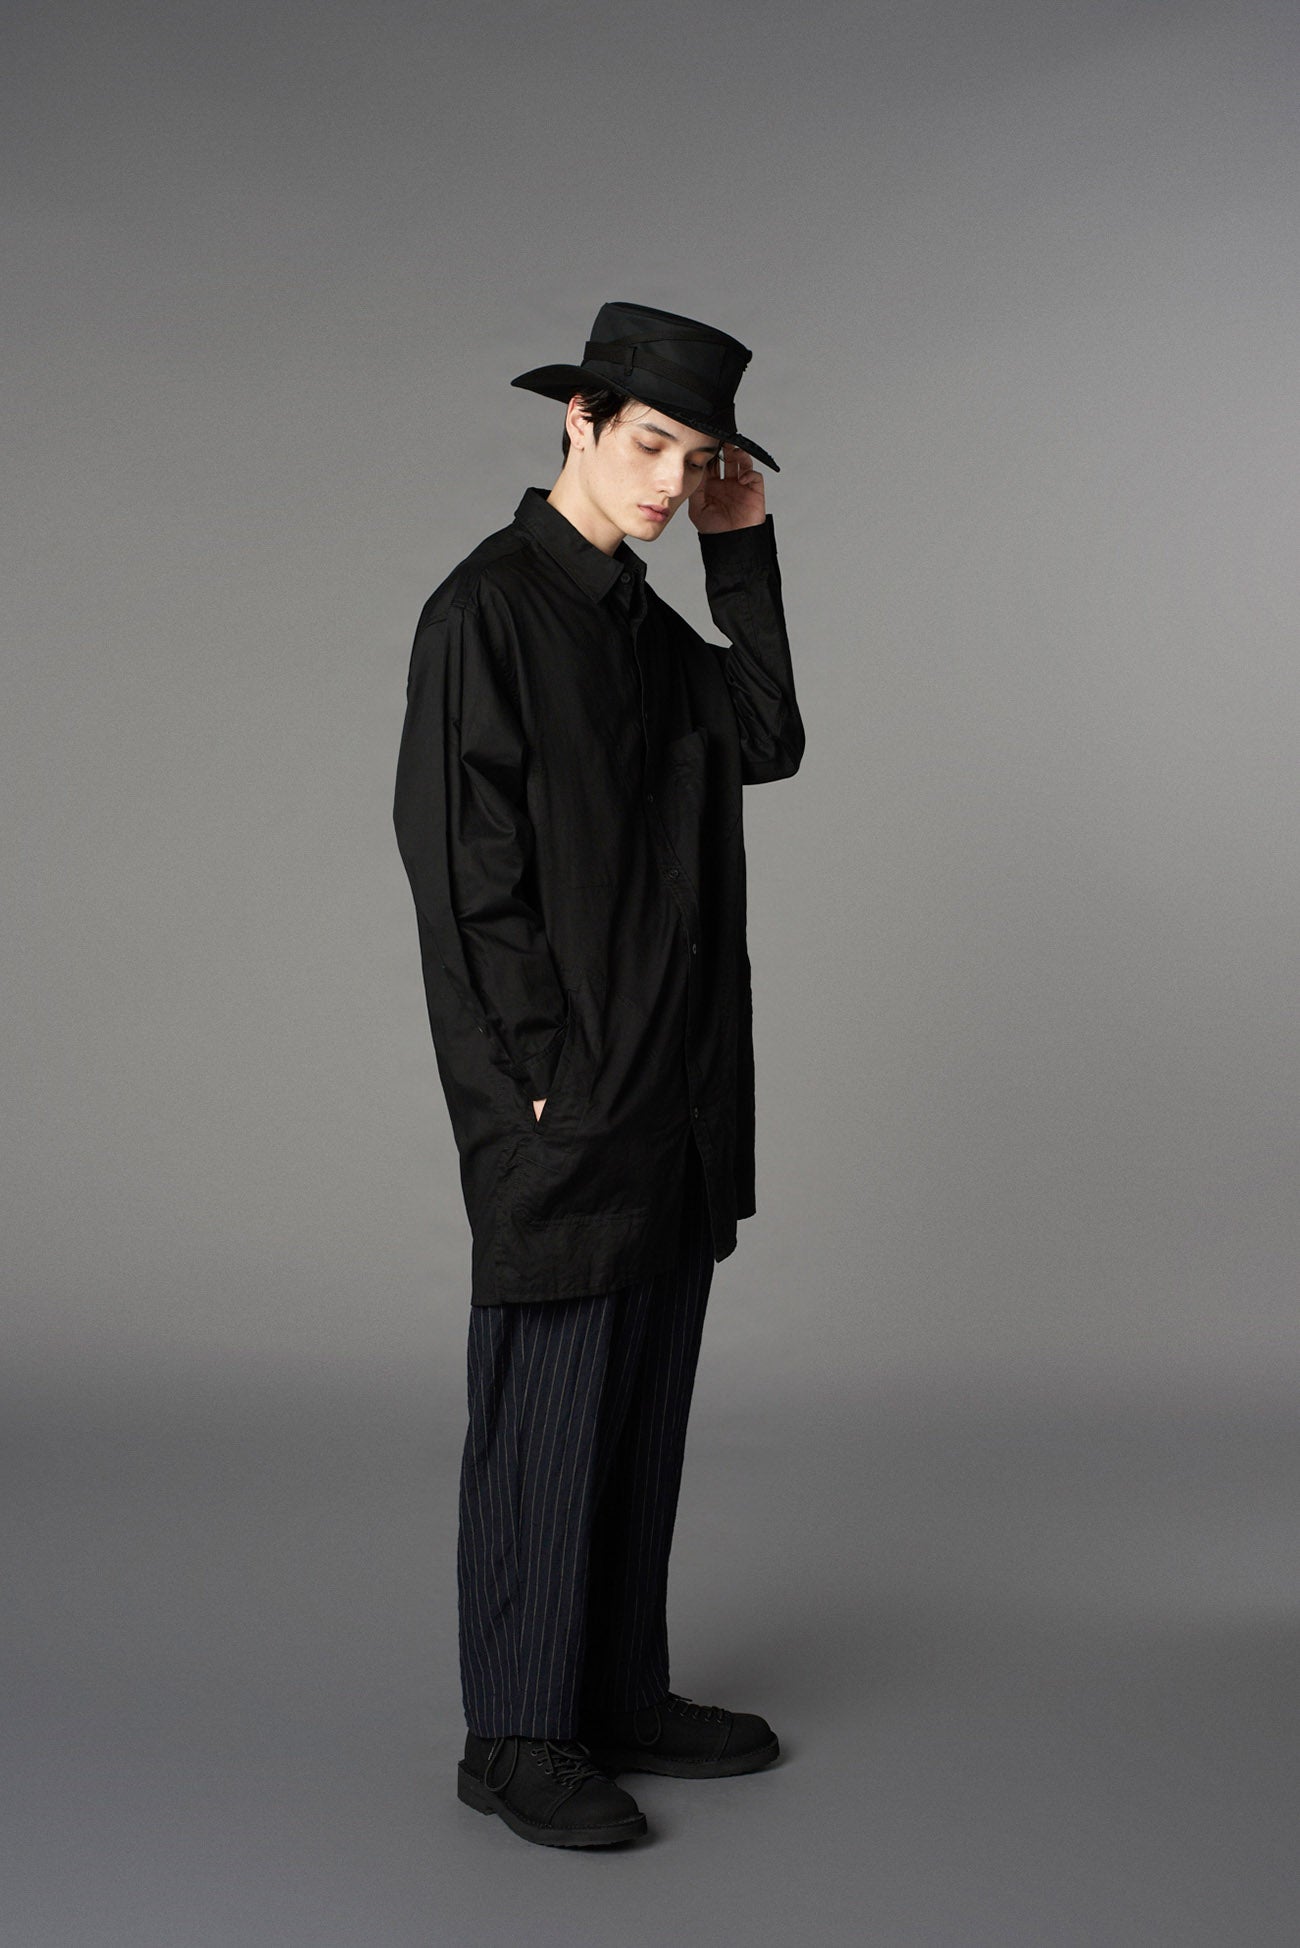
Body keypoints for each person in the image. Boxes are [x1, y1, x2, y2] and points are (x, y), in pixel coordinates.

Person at [393, 300, 804, 1848]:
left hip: (677, 1087)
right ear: (577, 420)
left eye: (696, 460)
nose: (668, 483)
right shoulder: (486, 613)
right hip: (563, 1101)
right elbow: (463, 876)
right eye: (648, 445)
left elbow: (767, 733)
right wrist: (539, 1085)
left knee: (640, 1409)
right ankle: (515, 1735)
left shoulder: (645, 626)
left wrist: (740, 554)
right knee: (547, 1417)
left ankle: (617, 1691)